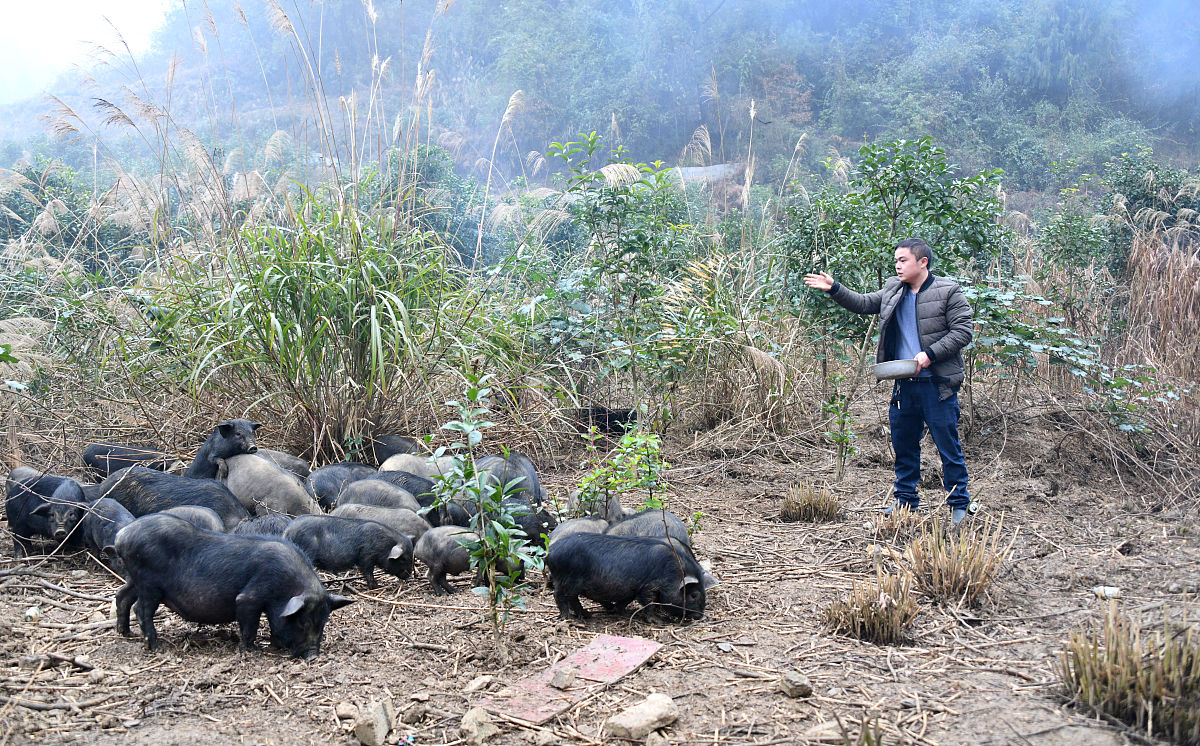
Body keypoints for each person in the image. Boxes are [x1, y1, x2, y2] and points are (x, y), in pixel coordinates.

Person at [803, 238, 974, 525]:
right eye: (895, 260)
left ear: (923, 262)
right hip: (904, 384)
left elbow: (963, 332)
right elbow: (864, 303)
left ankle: (959, 505)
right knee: (904, 446)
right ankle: (905, 503)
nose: (897, 265)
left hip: (937, 385)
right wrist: (834, 288)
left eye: (903, 260)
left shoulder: (948, 291)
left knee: (948, 447)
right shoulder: (894, 289)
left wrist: (929, 355)